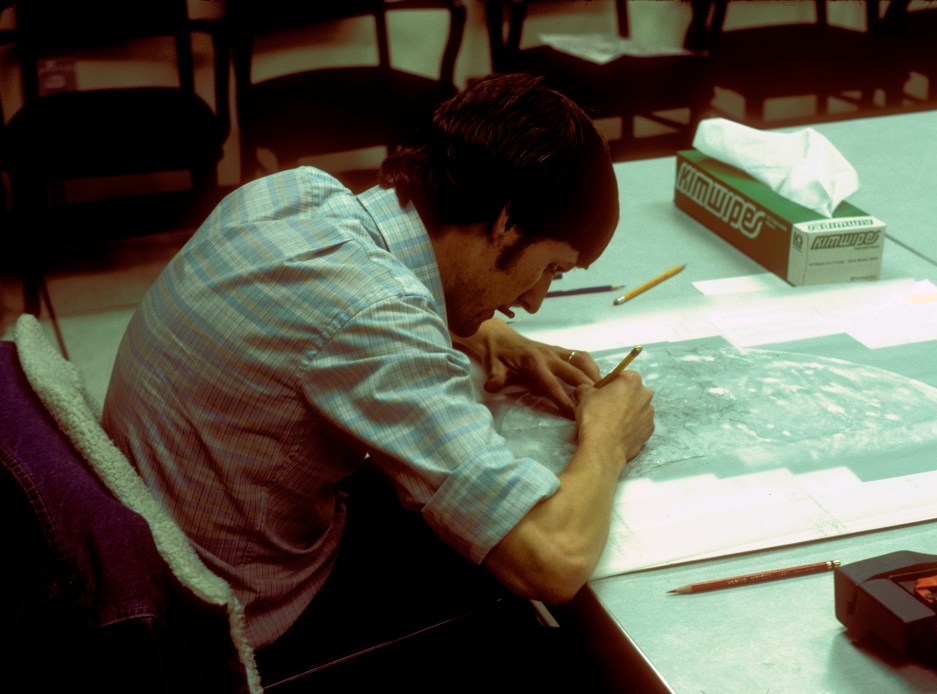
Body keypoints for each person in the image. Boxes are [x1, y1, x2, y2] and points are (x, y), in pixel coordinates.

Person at [102, 73, 654, 685]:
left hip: (165, 548)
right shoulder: (373, 315)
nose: (535, 303)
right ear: (504, 222)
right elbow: (552, 561)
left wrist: (481, 329)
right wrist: (608, 436)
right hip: (235, 624)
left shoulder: (295, 194)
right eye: (549, 268)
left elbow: (333, 312)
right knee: (553, 641)